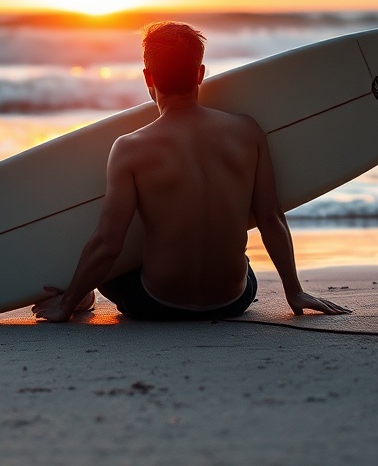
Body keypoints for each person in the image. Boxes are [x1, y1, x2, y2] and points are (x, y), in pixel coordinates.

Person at [32, 21, 350, 323]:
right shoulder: (248, 132)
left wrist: (66, 303)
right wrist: (294, 291)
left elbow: (108, 243)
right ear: (200, 74)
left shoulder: (129, 148)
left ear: (148, 78)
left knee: (114, 270)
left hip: (156, 304)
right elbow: (270, 217)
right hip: (233, 301)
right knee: (241, 262)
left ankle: (82, 295)